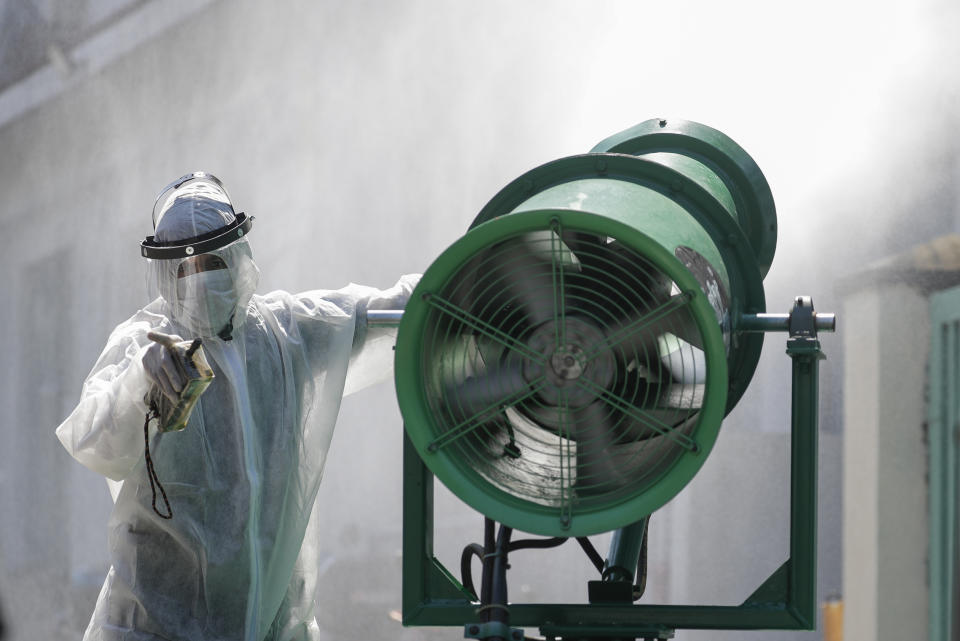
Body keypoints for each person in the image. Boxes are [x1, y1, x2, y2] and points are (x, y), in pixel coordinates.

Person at [56, 173, 419, 641]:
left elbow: (391, 312)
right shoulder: (144, 346)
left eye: (212, 260)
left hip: (269, 627)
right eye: (184, 269)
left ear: (237, 255)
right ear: (165, 274)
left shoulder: (286, 337)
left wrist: (480, 277)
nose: (200, 278)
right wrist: (139, 381)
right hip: (153, 629)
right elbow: (94, 441)